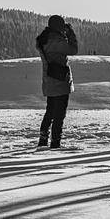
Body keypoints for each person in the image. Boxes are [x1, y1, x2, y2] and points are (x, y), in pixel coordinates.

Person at [35, 15, 78, 149]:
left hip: (49, 81)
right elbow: (73, 49)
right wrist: (70, 34)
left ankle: (43, 139)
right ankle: (55, 142)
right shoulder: (55, 41)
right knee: (59, 114)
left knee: (50, 112)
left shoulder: (45, 39)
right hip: (59, 81)